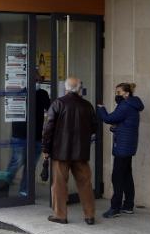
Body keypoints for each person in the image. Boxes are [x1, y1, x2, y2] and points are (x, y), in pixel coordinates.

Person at [42, 77, 97, 225]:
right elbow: (94, 128)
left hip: (61, 152)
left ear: (65, 88)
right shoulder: (87, 105)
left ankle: (60, 215)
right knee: (85, 184)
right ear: (79, 89)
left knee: (59, 185)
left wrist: (46, 149)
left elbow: (48, 129)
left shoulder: (58, 103)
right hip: (81, 153)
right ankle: (90, 216)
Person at [97, 83, 144, 218]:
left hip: (123, 147)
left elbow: (108, 118)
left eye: (118, 92)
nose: (116, 95)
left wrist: (101, 109)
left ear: (126, 93)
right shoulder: (133, 105)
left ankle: (115, 208)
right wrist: (116, 128)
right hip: (128, 145)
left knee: (117, 177)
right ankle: (128, 205)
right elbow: (126, 124)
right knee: (127, 175)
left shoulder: (125, 105)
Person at [5, 72, 51, 196]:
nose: (38, 82)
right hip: (19, 135)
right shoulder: (20, 93)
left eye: (39, 80)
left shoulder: (42, 94)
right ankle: (2, 187)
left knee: (30, 166)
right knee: (15, 163)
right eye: (35, 80)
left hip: (36, 136)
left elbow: (51, 109)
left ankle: (24, 191)